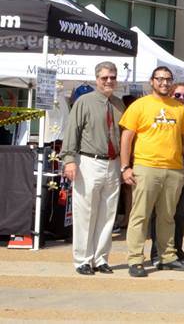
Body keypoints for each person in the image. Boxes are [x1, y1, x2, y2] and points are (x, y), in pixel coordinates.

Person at [119, 66, 184, 277]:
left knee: (167, 216)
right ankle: (135, 259)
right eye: (160, 79)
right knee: (140, 215)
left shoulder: (179, 108)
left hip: (173, 169)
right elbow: (126, 137)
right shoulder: (140, 105)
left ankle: (167, 256)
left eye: (168, 79)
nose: (164, 83)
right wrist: (125, 166)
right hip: (146, 167)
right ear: (152, 81)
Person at [61, 61, 124, 275]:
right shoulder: (84, 102)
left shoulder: (119, 104)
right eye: (105, 77)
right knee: (85, 213)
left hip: (113, 163)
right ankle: (83, 260)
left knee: (108, 214)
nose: (109, 81)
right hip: (88, 162)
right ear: (97, 79)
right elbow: (72, 131)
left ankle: (101, 258)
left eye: (112, 77)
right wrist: (69, 159)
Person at [150, 83, 184, 265]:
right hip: (171, 170)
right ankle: (158, 253)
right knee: (163, 213)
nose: (181, 98)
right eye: (177, 95)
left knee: (180, 215)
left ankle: (176, 251)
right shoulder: (165, 113)